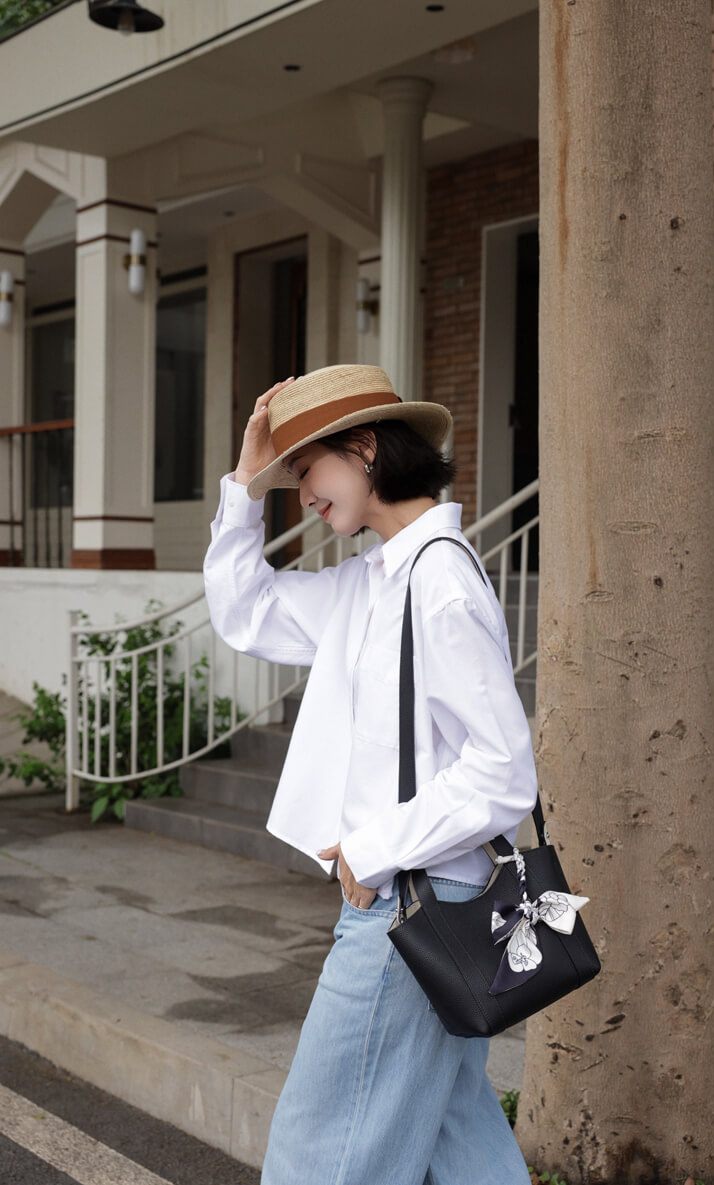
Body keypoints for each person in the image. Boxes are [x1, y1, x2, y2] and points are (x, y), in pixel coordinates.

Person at [203, 364, 537, 1185]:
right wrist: (245, 484)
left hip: (410, 903)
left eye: (306, 470)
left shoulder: (439, 581)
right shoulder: (371, 581)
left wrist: (372, 846)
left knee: (317, 1150)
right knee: (461, 1144)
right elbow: (245, 611)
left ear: (363, 449)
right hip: (420, 901)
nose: (302, 496)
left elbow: (504, 771)